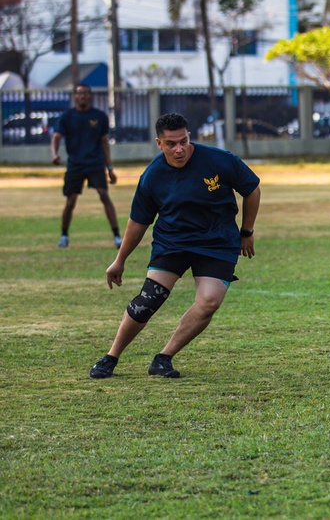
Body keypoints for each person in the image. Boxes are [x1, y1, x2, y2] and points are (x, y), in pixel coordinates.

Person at [88, 113, 261, 379]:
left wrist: (247, 231)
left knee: (209, 302)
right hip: (173, 242)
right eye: (171, 144)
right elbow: (138, 222)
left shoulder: (219, 160)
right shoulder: (152, 176)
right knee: (149, 300)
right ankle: (111, 357)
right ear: (159, 143)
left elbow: (252, 188)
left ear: (189, 136)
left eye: (183, 141)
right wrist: (119, 259)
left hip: (217, 242)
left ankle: (163, 358)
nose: (179, 149)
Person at [50, 84, 121, 248]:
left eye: (86, 93)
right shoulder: (67, 117)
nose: (83, 96)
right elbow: (56, 137)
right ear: (75, 96)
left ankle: (117, 236)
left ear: (90, 96)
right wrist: (54, 155)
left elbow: (104, 143)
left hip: (95, 163)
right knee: (70, 201)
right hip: (75, 165)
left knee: (104, 194)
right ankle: (64, 235)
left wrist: (110, 169)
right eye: (79, 93)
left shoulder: (99, 116)